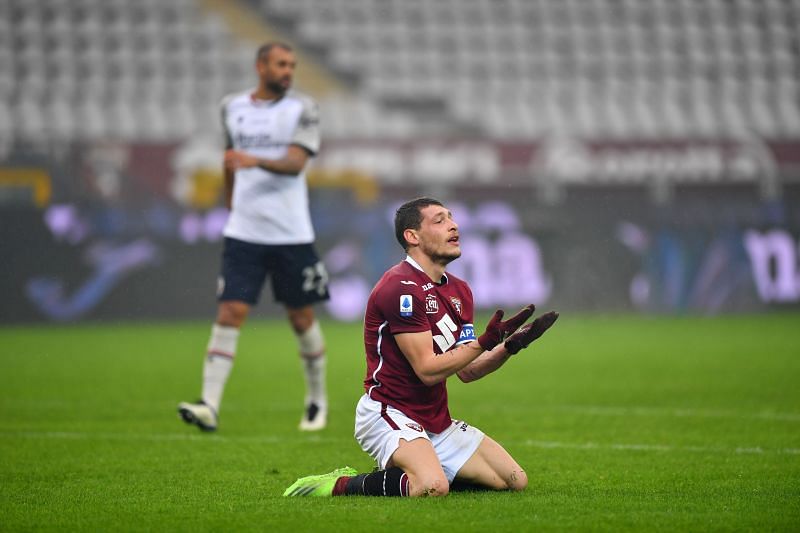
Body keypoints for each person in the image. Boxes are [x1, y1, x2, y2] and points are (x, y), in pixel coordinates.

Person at [283, 197, 559, 497]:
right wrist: (483, 342)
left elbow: (467, 370)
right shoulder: (399, 287)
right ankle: (343, 484)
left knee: (515, 480)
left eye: (452, 218)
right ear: (412, 236)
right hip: (388, 412)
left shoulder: (459, 291)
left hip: (435, 418)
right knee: (432, 487)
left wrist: (510, 346)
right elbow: (427, 371)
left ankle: (417, 463)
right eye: (439, 220)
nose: (453, 225)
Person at [178, 42, 330, 432]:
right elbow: (231, 157)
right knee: (230, 311)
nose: (288, 71)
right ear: (260, 66)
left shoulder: (303, 108)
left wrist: (254, 160)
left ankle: (316, 400)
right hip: (244, 233)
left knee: (301, 317)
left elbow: (296, 163)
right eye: (281, 64)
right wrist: (231, 199)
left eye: (292, 65)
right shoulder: (232, 106)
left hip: (291, 233)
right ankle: (209, 404)